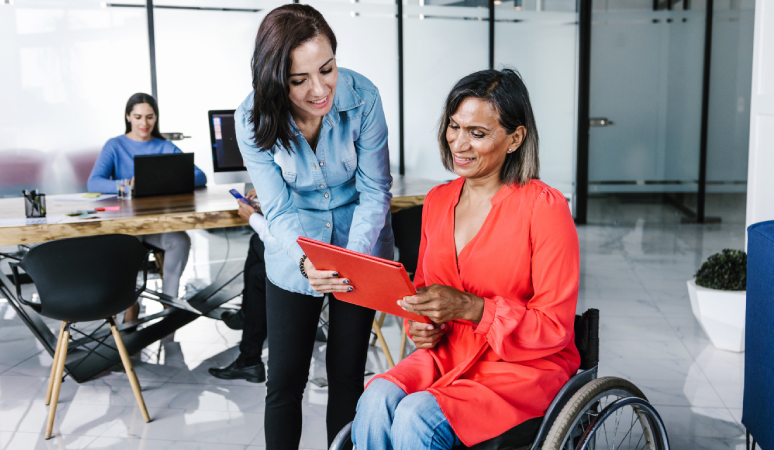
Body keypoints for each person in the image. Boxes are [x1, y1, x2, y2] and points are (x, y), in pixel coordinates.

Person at [351, 69, 581, 450]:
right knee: (375, 400)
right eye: (454, 127)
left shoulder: (544, 208)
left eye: (477, 133)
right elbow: (424, 292)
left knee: (415, 416)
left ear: (515, 139)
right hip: (449, 354)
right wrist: (423, 326)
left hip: (520, 368)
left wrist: (474, 309)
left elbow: (554, 327)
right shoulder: (439, 201)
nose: (459, 143)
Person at [235, 4, 394, 449]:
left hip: (359, 244)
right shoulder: (251, 118)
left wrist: (352, 257)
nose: (320, 89)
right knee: (285, 381)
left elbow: (376, 189)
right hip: (295, 250)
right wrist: (307, 261)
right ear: (274, 79)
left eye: (327, 69)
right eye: (299, 80)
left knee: (347, 376)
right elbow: (279, 211)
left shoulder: (364, 97)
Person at [88, 93, 208, 323]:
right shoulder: (115, 145)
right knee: (128, 247)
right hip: (126, 225)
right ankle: (131, 305)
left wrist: (170, 180)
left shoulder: (165, 146)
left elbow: (200, 176)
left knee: (181, 241)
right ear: (128, 117)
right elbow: (94, 182)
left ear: (156, 118)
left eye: (150, 117)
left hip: (156, 225)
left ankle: (169, 304)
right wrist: (125, 184)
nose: (144, 123)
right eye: (138, 116)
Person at [209, 189, 269, 383]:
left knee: (257, 274)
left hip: (312, 263)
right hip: (313, 251)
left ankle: (249, 358)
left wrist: (254, 218)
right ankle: (248, 359)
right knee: (257, 270)